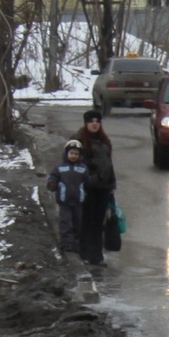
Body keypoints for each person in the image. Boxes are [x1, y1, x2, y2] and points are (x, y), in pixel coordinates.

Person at [77, 110, 117, 271]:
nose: (94, 124)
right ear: (86, 123)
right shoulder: (79, 140)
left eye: (97, 121)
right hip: (88, 187)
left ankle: (96, 255)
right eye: (91, 121)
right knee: (87, 221)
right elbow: (76, 162)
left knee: (99, 222)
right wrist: (91, 178)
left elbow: (108, 163)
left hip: (104, 187)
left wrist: (111, 183)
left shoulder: (104, 140)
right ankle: (84, 253)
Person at [48, 141, 92, 258]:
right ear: (66, 154)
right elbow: (53, 177)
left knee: (78, 223)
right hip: (64, 201)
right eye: (71, 153)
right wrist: (52, 184)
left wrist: (90, 188)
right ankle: (66, 244)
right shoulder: (60, 168)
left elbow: (87, 182)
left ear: (80, 156)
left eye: (76, 154)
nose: (73, 156)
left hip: (78, 202)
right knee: (65, 223)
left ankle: (76, 244)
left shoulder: (83, 169)